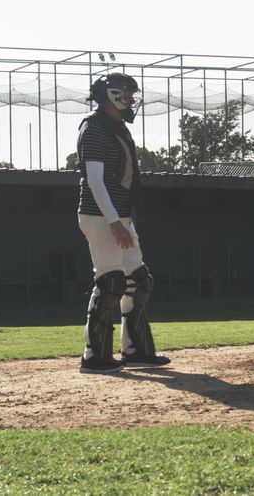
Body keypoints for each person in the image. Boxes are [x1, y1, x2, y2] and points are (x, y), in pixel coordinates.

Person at [76, 73, 171, 373]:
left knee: (139, 280)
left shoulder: (115, 127)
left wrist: (121, 218)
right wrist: (114, 221)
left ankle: (136, 351)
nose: (132, 99)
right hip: (101, 216)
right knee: (110, 281)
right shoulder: (94, 128)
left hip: (119, 215)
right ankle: (94, 356)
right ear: (113, 94)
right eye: (128, 94)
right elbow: (95, 181)